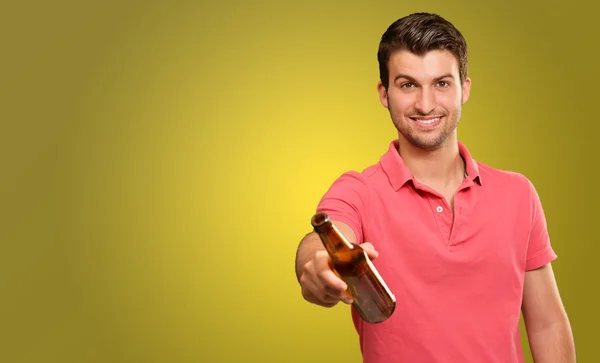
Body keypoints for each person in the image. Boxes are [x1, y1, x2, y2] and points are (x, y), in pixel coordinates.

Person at [294, 12, 576, 363]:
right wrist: (318, 267)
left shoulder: (519, 195)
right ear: (385, 93)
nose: (426, 104)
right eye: (408, 84)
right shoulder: (359, 191)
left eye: (441, 83)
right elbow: (321, 243)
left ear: (464, 89)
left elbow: (547, 323)